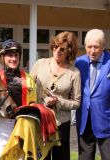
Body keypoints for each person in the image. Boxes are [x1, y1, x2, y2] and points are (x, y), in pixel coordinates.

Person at [30, 31, 81, 160]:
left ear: (69, 51)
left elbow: (76, 102)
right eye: (55, 46)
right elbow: (29, 87)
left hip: (61, 124)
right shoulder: (40, 64)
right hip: (39, 121)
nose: (57, 50)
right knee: (41, 157)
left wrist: (58, 101)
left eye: (62, 49)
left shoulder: (74, 73)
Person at [0, 39, 37, 160]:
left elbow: (32, 103)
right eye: (9, 55)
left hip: (23, 124)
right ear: (2, 57)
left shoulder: (28, 78)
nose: (13, 59)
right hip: (3, 124)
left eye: (16, 55)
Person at [75, 29, 110, 160]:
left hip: (106, 122)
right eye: (89, 47)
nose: (92, 50)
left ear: (103, 46)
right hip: (84, 121)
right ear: (85, 46)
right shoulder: (79, 63)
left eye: (96, 47)